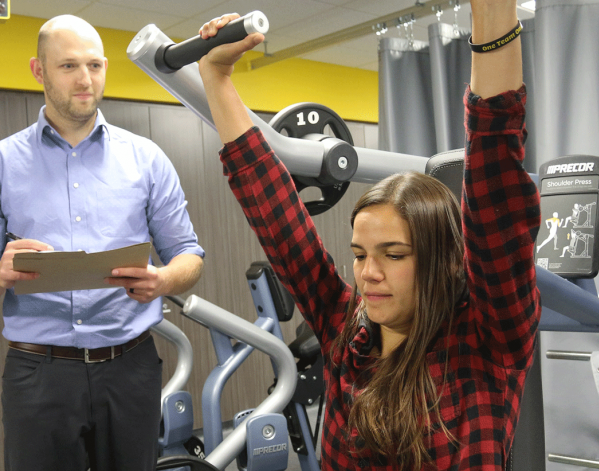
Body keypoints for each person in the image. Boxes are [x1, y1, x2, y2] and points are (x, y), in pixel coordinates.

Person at [195, 0, 539, 468]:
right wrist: (216, 76)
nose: (368, 274)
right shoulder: (346, 329)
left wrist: (492, 10)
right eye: (359, 254)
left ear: (443, 258)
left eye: (394, 255)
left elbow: (496, 165)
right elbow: (273, 211)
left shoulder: (486, 341)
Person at [0, 14, 205, 471]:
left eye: (95, 65)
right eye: (68, 66)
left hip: (130, 368)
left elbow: (189, 255)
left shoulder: (146, 159)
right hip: (38, 375)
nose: (85, 80)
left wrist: (163, 280)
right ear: (38, 70)